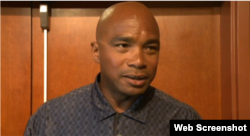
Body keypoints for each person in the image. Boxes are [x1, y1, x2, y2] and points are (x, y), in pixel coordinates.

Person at [24, 2, 201, 136]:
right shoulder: (50, 119)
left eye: (150, 48)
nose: (139, 61)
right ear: (96, 51)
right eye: (123, 45)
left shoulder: (183, 118)